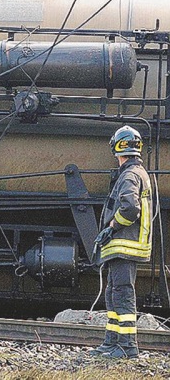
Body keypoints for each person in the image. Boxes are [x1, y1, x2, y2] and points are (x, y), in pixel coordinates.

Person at [92, 126, 153, 359]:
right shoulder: (136, 172)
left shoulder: (129, 175)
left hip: (125, 244)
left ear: (116, 148)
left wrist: (111, 228)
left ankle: (127, 347)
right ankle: (112, 342)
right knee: (113, 293)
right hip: (124, 246)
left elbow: (130, 208)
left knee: (122, 294)